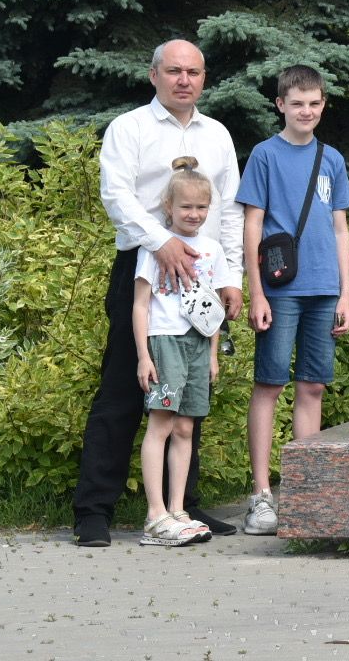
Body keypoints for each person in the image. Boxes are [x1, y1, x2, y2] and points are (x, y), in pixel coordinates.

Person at [73, 40, 244, 546]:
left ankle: (180, 506)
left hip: (203, 269)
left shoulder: (217, 135)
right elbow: (116, 195)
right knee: (126, 387)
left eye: (193, 72)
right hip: (145, 266)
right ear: (154, 75)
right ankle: (93, 510)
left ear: (204, 78)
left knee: (190, 391)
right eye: (174, 71)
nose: (184, 80)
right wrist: (162, 242)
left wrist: (231, 275)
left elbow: (230, 208)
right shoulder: (130, 128)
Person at [237, 66, 349, 535]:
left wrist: (346, 291)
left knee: (313, 387)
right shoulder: (265, 155)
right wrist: (257, 291)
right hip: (281, 289)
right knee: (270, 384)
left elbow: (340, 228)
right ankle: (262, 495)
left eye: (314, 103)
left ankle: (307, 491)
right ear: (280, 105)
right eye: (297, 103)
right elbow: (252, 224)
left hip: (325, 288)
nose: (306, 111)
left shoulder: (332, 159)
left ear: (323, 106)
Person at [133, 159, 237, 546]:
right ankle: (155, 515)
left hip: (197, 346)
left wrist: (212, 355)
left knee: (186, 427)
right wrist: (144, 355)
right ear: (169, 208)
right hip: (165, 343)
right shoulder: (156, 248)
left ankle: (178, 510)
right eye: (185, 207)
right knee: (160, 424)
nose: (193, 214)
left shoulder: (211, 250)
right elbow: (141, 305)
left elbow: (212, 310)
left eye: (201, 207)